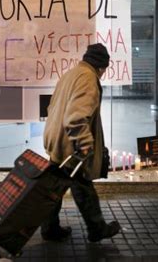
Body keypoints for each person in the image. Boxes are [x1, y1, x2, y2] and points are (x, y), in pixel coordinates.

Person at [41, 43, 121, 242]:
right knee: (83, 187)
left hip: (58, 141)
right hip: (70, 146)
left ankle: (50, 229)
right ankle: (97, 229)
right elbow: (76, 117)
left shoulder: (72, 74)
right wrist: (85, 143)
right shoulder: (88, 78)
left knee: (55, 187)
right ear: (101, 67)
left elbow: (52, 107)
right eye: (104, 69)